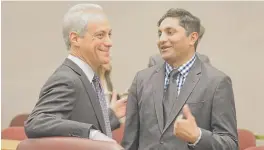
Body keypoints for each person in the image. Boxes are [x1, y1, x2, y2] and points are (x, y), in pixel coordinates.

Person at [122, 8, 238, 150]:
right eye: (160, 33)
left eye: (170, 32)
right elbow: (130, 141)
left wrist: (198, 137)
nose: (161, 40)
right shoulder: (142, 79)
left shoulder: (217, 82)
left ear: (192, 38)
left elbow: (230, 144)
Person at [24, 4, 126, 145]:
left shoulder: (87, 77)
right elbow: (36, 122)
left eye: (109, 34)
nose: (109, 42)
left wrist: (111, 115)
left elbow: (81, 121)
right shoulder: (67, 78)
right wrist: (92, 134)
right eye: (100, 35)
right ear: (75, 39)